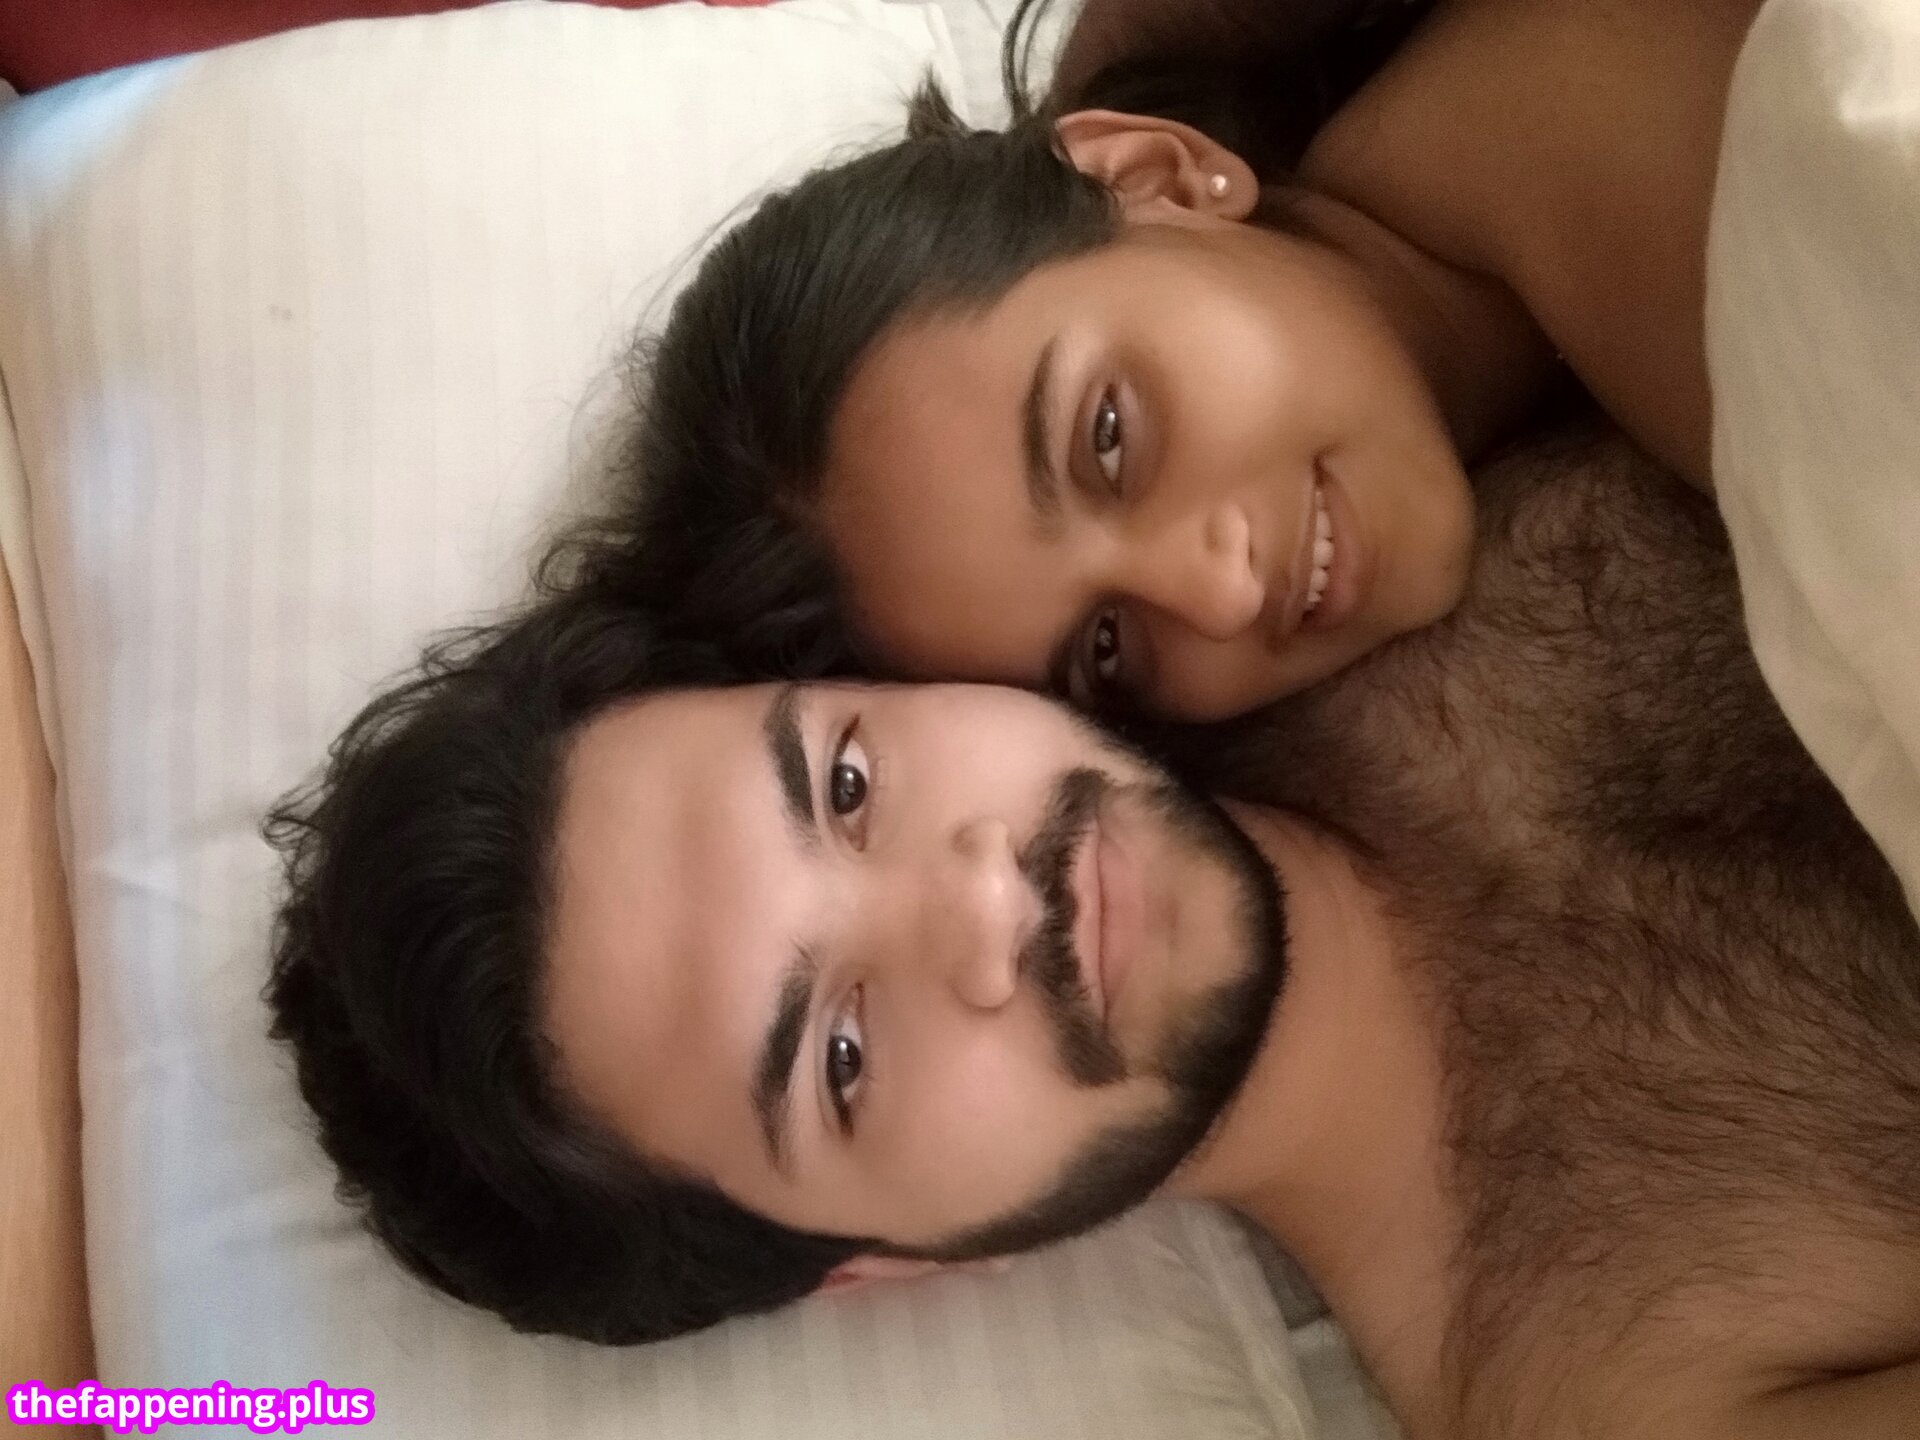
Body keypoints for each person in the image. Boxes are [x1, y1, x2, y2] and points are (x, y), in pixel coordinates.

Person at [264, 420, 1920, 1436]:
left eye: (847, 781)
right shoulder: (1622, 1393)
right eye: (840, 1057)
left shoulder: (1338, 495)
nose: (988, 895)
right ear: (891, 1268)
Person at [595, 0, 1765, 725]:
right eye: (1106, 651)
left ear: (1155, 174)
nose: (1218, 596)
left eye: (1108, 437)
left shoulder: (1655, 166)